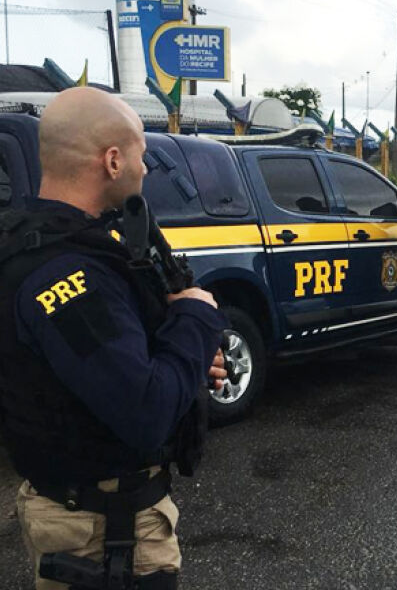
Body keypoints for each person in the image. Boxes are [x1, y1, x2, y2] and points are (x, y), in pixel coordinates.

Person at [0, 87, 229, 589]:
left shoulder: (44, 247)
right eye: (143, 156)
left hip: (90, 516)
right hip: (105, 536)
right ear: (112, 160)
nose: (145, 170)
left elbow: (98, 366)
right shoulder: (66, 273)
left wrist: (184, 361)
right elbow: (144, 412)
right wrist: (195, 316)